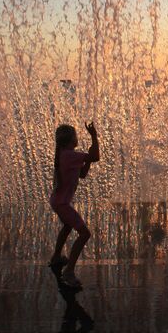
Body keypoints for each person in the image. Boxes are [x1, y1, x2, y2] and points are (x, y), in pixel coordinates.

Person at [49, 122, 100, 287]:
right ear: (71, 140)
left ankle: (56, 257)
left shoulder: (67, 154)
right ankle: (69, 271)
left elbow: (83, 174)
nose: (78, 138)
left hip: (58, 201)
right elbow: (96, 157)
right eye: (76, 136)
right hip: (62, 204)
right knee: (85, 234)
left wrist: (88, 159)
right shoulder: (69, 155)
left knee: (67, 227)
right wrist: (93, 136)